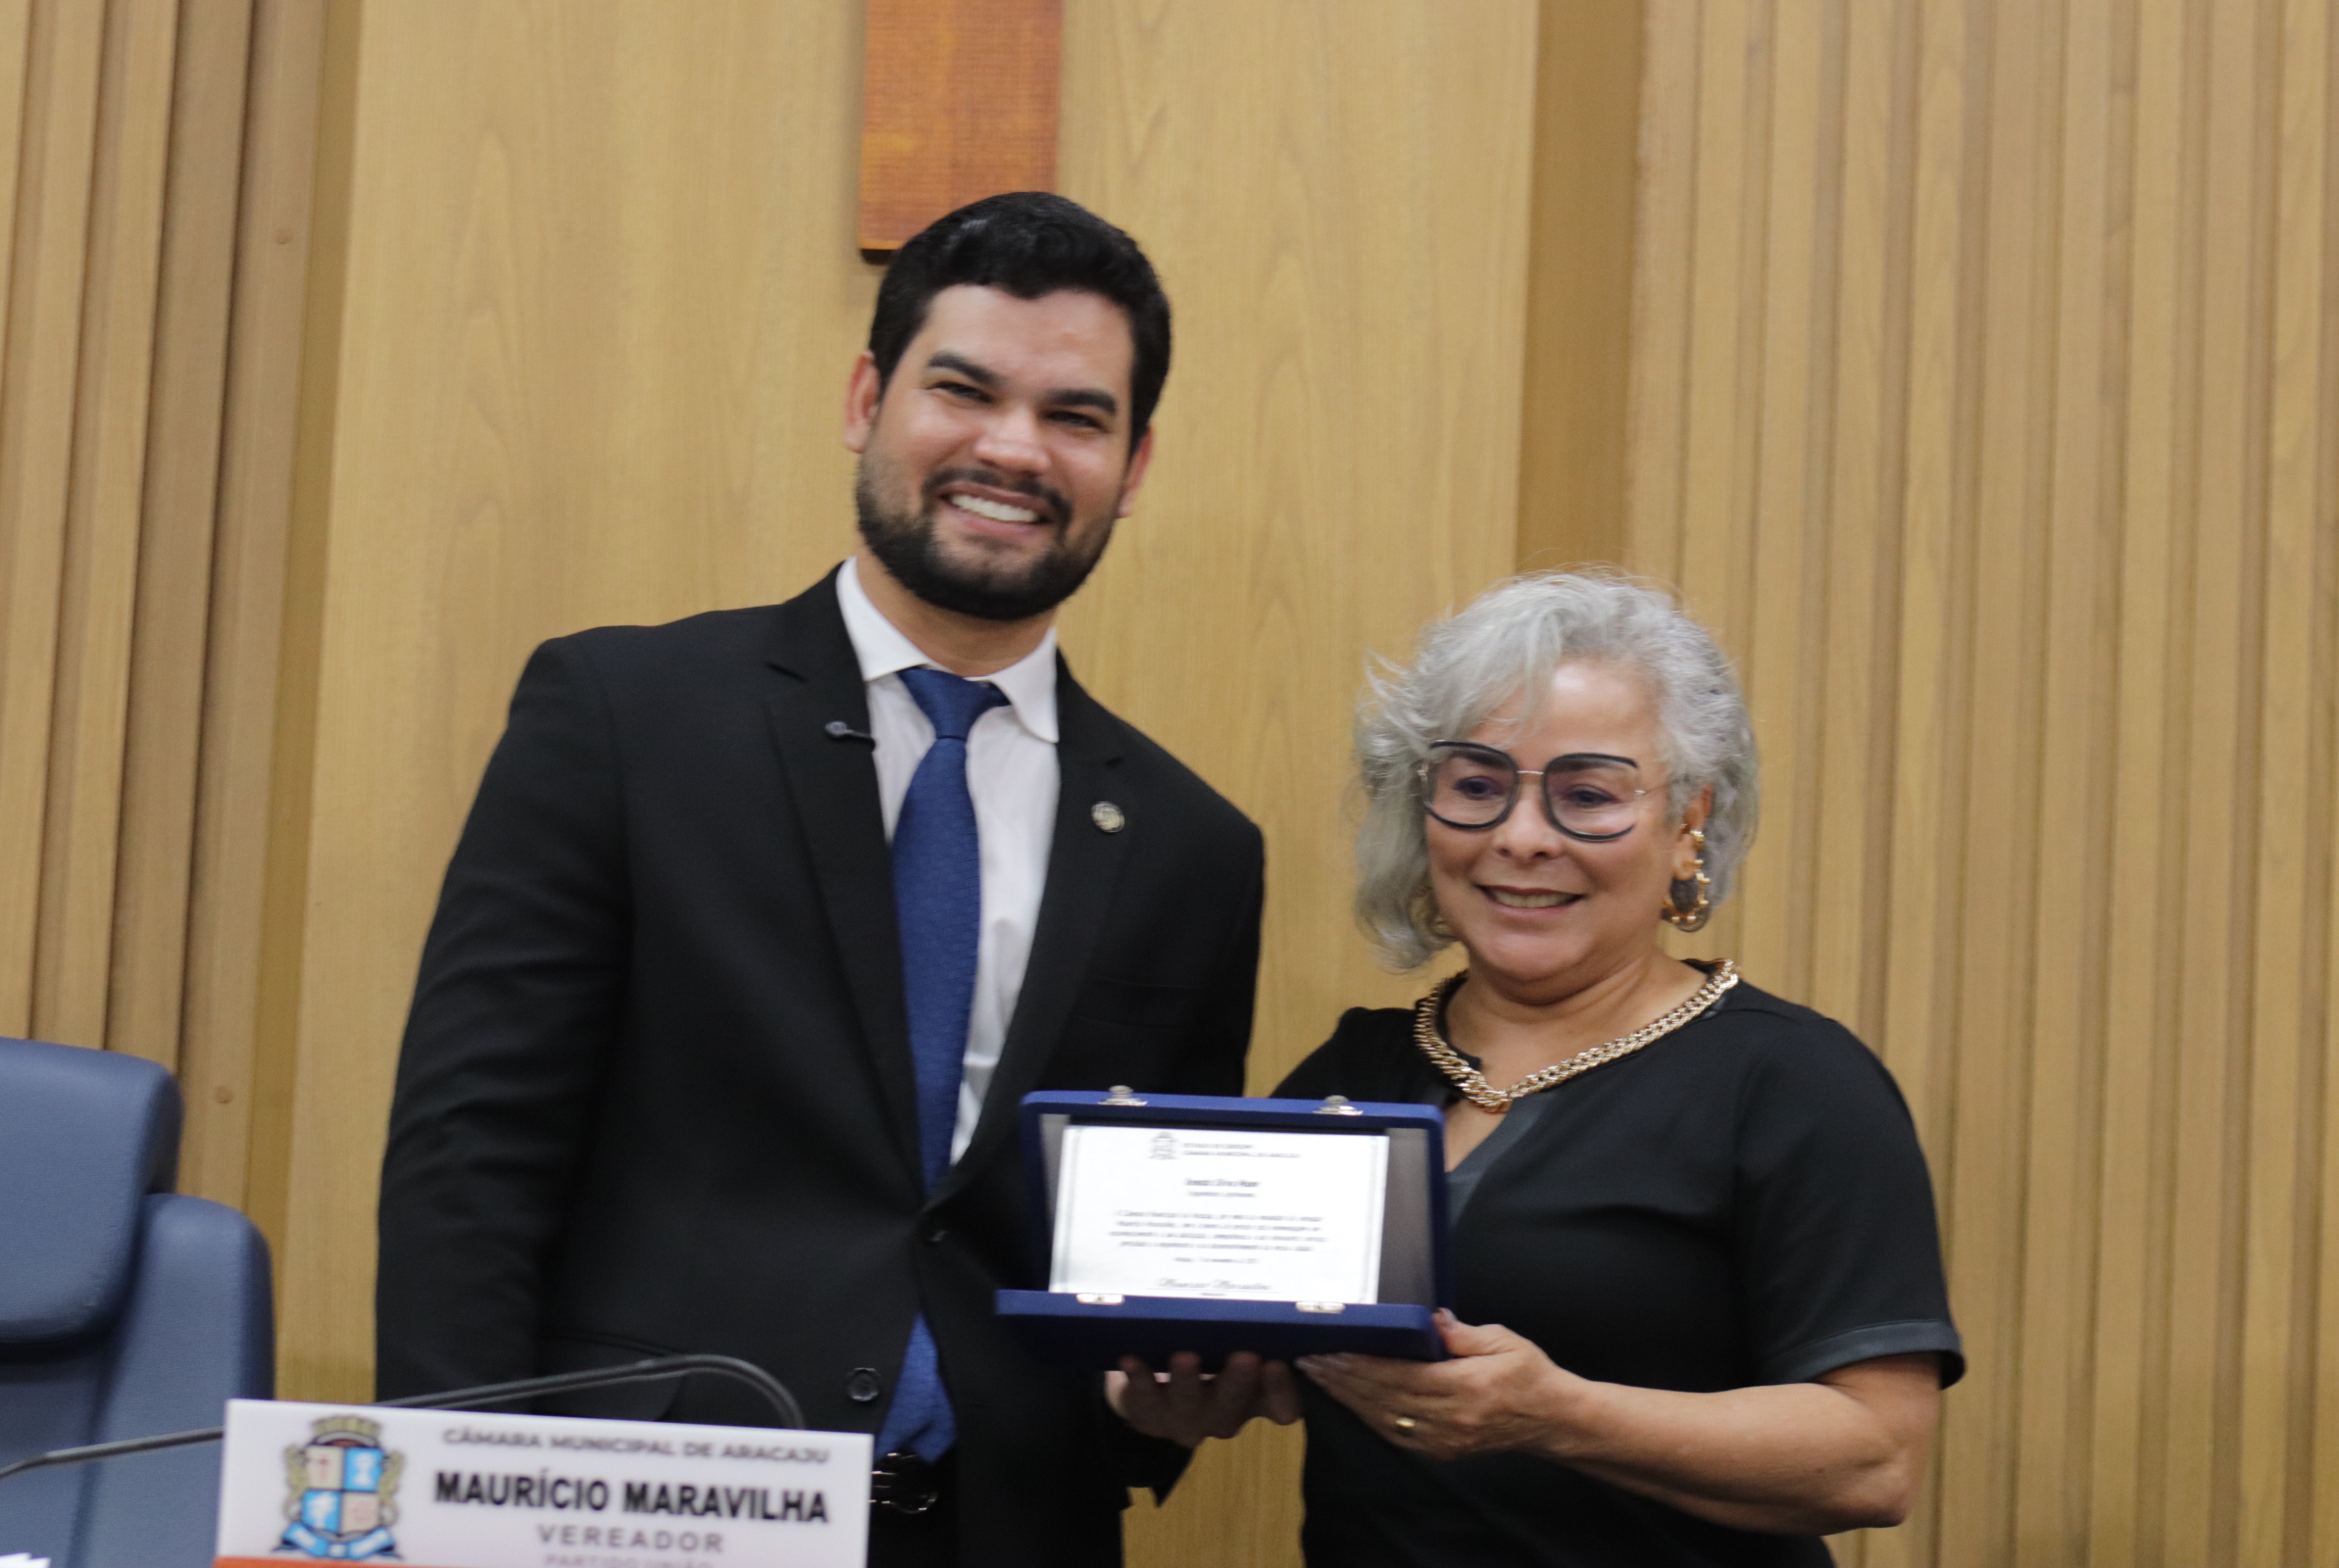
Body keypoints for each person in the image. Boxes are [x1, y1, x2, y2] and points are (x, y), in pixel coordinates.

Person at [375, 192, 1267, 1568]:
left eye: (1075, 416)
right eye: (962, 390)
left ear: (1133, 463)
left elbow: (1131, 1277)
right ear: (866, 399)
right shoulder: (624, 717)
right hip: (633, 1524)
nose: (1012, 448)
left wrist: (1152, 1406)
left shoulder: (1192, 846)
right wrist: (457, 1516)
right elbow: (470, 1157)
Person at [1267, 572, 1961, 1566]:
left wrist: (1560, 1414)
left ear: (1688, 821)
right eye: (1477, 786)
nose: (1521, 837)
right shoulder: (1353, 1071)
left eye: (1587, 795)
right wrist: (1186, 1379)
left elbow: (1876, 1459)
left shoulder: (1793, 1084)